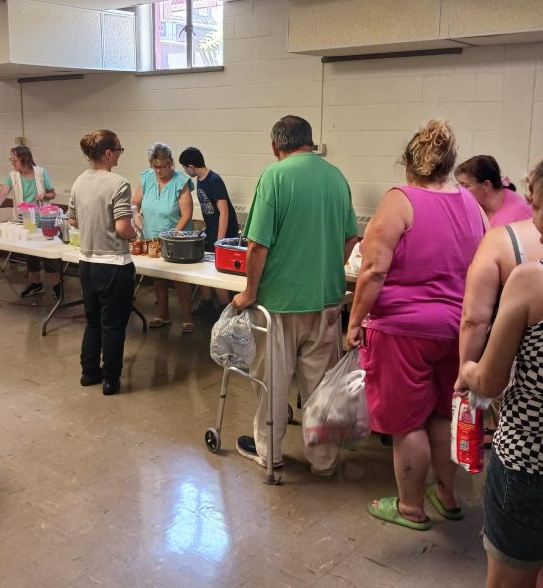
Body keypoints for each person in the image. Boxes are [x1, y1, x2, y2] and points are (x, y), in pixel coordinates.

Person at [346, 119, 487, 531]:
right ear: (449, 165)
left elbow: (373, 271)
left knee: (406, 422)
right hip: (456, 331)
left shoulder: (400, 201)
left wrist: (353, 322)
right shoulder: (471, 205)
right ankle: (447, 495)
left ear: (408, 164)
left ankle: (410, 507)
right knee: (443, 414)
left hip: (403, 333)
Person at [232, 115, 358, 473]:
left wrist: (249, 292)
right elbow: (351, 239)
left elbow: (257, 245)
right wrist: (324, 268)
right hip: (327, 302)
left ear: (276, 146)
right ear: (310, 142)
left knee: (272, 384)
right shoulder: (336, 177)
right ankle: (324, 460)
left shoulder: (274, 176)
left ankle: (269, 454)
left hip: (279, 305)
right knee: (321, 388)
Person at [455, 159, 543, 588]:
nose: (533, 219)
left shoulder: (531, 282)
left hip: (529, 464)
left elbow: (490, 380)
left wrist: (467, 371)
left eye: (537, 206)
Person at [68, 130, 135, 396]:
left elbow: (73, 220)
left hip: (86, 263)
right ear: (108, 153)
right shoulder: (119, 184)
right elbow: (122, 227)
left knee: (93, 322)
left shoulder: (79, 181)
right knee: (114, 326)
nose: (120, 154)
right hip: (114, 265)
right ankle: (110, 379)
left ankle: (89, 373)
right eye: (119, 150)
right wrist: (135, 234)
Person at [132, 142, 195, 333]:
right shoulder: (147, 178)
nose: (159, 171)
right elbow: (135, 202)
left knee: (179, 280)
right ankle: (163, 314)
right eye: (155, 166)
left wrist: (170, 236)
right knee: (158, 278)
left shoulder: (180, 182)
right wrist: (136, 214)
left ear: (171, 163)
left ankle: (187, 318)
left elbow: (186, 215)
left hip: (175, 239)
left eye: (163, 166)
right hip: (151, 236)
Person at [0, 145, 61, 299]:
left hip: (44, 221)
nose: (12, 162)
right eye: (11, 159)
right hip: (26, 221)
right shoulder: (13, 176)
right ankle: (36, 284)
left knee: (48, 254)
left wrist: (44, 196)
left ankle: (57, 286)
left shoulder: (41, 173)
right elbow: (2, 193)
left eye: (14, 160)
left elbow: (52, 193)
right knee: (30, 253)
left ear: (24, 158)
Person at [179, 146, 239, 321]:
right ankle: (206, 304)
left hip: (223, 232)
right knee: (202, 267)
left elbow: (224, 211)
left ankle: (225, 311)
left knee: (216, 272)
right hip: (211, 230)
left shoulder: (214, 180)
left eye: (184, 167)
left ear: (191, 166)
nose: (185, 171)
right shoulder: (200, 179)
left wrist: (220, 240)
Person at [456, 155, 531, 227]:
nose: (459, 190)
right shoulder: (471, 208)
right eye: (458, 184)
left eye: (465, 186)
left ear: (486, 185)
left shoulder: (522, 212)